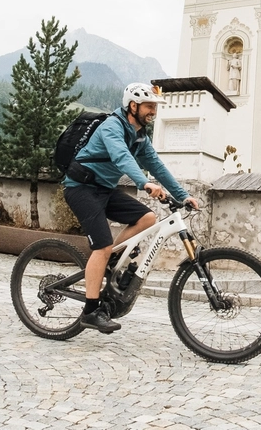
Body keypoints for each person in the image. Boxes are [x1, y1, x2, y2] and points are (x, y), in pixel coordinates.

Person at [63, 82, 202, 333]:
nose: (154, 112)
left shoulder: (139, 136)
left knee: (147, 218)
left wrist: (183, 196)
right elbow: (120, 157)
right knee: (102, 246)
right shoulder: (112, 126)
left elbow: (157, 165)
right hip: (81, 187)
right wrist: (144, 183)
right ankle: (91, 311)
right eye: (149, 106)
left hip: (104, 189)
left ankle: (111, 259)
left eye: (155, 107)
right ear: (133, 105)